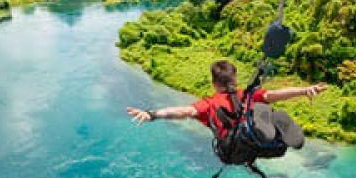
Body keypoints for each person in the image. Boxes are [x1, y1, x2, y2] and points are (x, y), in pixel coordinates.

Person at [126, 60, 326, 129]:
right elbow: (274, 94)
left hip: (230, 152)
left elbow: (183, 111)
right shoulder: (248, 95)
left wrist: (152, 114)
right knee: (269, 112)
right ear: (235, 80)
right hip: (253, 142)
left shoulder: (209, 104)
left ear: (214, 84)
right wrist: (304, 90)